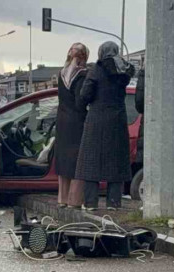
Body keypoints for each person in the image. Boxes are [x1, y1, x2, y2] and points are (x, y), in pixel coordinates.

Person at [75, 41, 135, 211]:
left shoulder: (96, 69)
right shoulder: (125, 69)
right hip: (117, 119)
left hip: (97, 119)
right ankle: (114, 203)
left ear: (101, 52)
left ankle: (91, 203)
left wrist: (83, 104)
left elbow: (85, 95)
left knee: (91, 161)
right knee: (116, 161)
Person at [53, 42, 90, 209]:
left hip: (61, 121)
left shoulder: (60, 74)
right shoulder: (82, 75)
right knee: (77, 160)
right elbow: (80, 101)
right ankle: (74, 200)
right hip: (77, 122)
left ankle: (62, 198)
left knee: (63, 160)